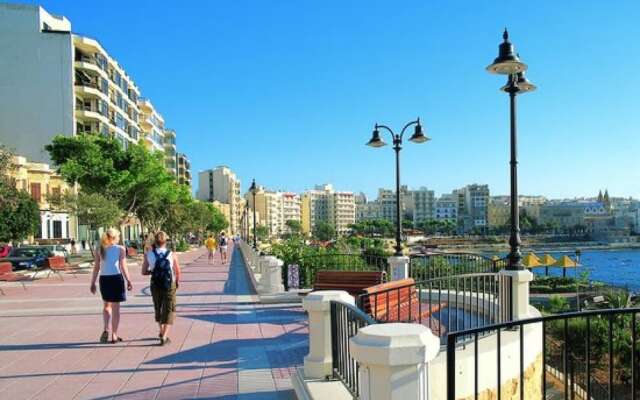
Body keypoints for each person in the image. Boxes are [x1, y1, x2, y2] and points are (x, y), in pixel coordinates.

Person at [90, 228, 133, 344]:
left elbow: (96, 268)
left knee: (106, 306)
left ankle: (105, 329)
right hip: (116, 278)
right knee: (116, 309)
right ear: (115, 238)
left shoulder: (99, 249)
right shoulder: (120, 249)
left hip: (104, 279)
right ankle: (114, 335)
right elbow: (123, 266)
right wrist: (128, 280)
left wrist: (92, 283)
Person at [142, 231, 181, 346]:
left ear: (155, 241)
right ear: (166, 241)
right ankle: (164, 336)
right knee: (169, 309)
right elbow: (178, 272)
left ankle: (161, 330)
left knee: (157, 307)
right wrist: (177, 282)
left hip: (155, 284)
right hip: (169, 284)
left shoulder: (149, 254)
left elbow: (143, 272)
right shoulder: (172, 254)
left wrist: (152, 271)